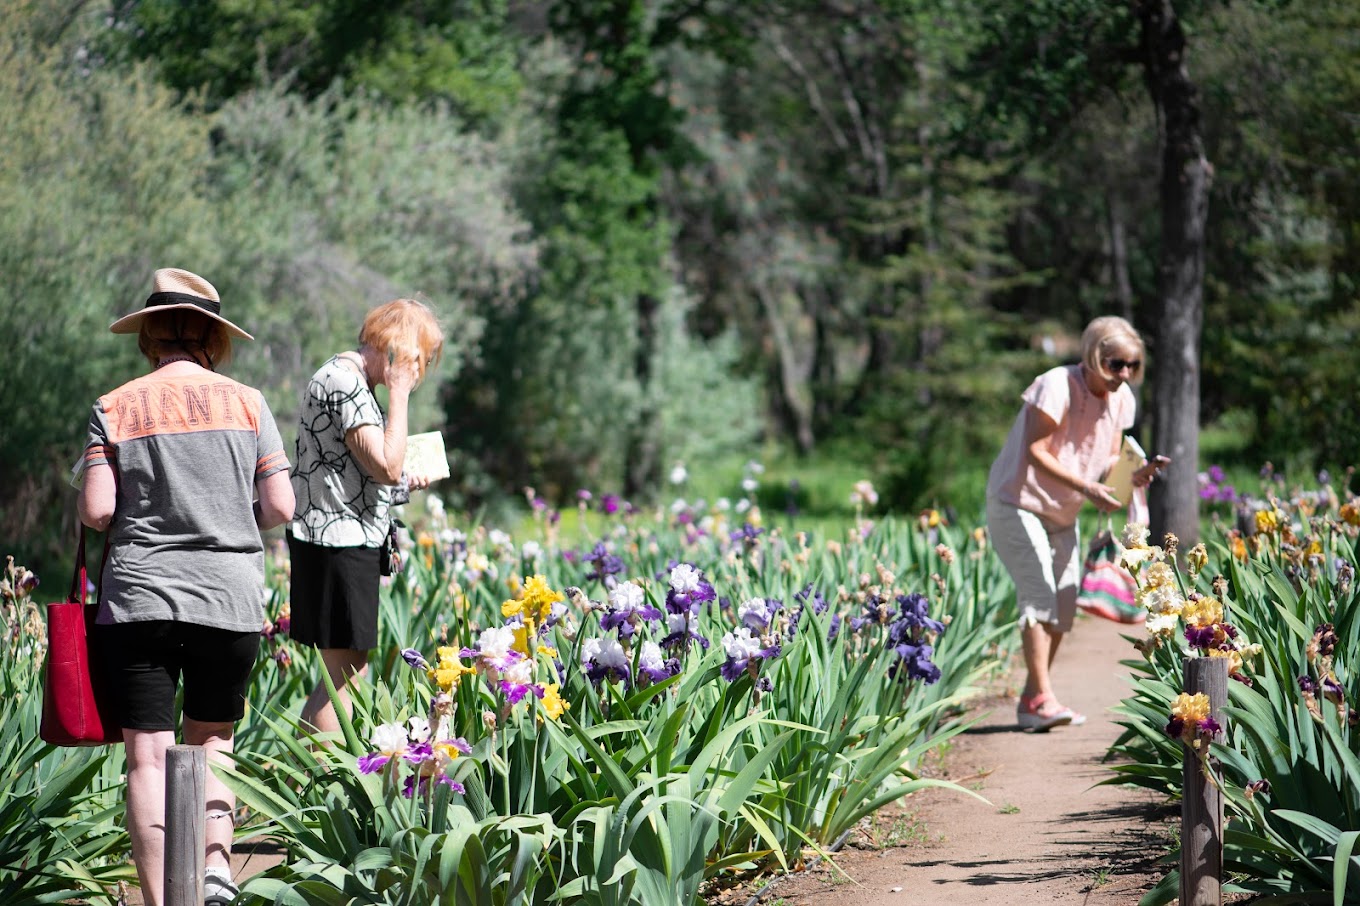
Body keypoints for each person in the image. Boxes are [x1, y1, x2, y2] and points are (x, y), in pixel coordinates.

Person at [75, 268, 295, 906]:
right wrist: (225, 520)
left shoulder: (113, 407)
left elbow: (95, 511)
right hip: (227, 597)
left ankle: (162, 900)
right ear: (214, 337)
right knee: (214, 742)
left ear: (148, 336)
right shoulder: (248, 403)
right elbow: (279, 504)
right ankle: (217, 874)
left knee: (147, 756)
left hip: (139, 598)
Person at [985, 316, 1168, 732]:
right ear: (1093, 357)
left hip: (1063, 511)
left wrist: (1133, 474)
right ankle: (1044, 699)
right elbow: (1035, 450)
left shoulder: (1122, 402)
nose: (1124, 374)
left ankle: (1033, 701)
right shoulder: (1056, 385)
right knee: (1039, 596)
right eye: (1115, 364)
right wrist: (1088, 487)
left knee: (1064, 604)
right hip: (1018, 503)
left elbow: (1106, 461)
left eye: (1131, 365)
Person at [288, 298, 444, 736]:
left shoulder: (348, 380)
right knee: (344, 679)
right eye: (420, 358)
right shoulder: (345, 382)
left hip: (339, 538)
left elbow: (363, 472)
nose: (420, 372)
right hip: (336, 543)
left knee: (345, 674)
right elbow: (386, 465)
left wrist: (401, 482)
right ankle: (314, 784)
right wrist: (398, 393)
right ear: (397, 349)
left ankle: (304, 780)